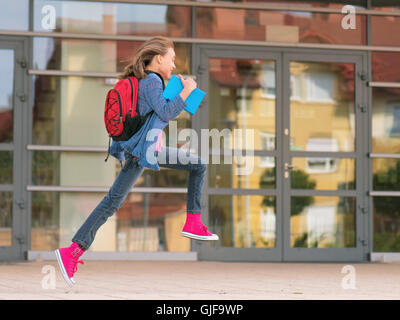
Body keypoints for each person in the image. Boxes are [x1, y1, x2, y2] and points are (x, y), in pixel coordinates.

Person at [55, 36, 219, 287]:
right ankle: (193, 222)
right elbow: (165, 112)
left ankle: (72, 252)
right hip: (144, 151)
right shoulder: (151, 81)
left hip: (143, 149)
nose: (174, 65)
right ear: (159, 58)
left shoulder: (150, 81)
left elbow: (158, 112)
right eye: (172, 59)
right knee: (198, 165)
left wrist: (182, 92)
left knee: (112, 202)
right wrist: (185, 91)